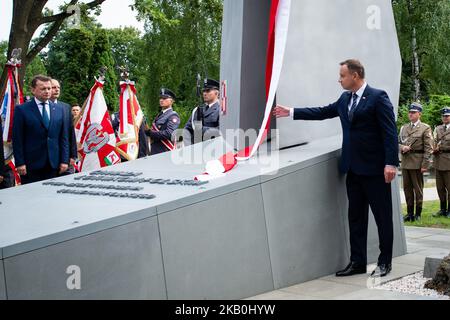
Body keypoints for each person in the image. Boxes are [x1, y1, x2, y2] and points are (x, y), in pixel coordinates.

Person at [273, 59, 399, 277]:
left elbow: (389, 132)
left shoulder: (378, 97)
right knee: (356, 218)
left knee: (382, 218)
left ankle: (384, 262)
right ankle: (357, 262)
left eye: (342, 76)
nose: (339, 79)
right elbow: (322, 112)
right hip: (353, 169)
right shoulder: (344, 99)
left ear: (355, 76)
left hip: (376, 171)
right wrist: (291, 112)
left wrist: (391, 163)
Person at [12, 75, 69, 184]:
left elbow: (63, 137)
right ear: (33, 90)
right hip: (31, 165)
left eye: (49, 88)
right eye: (43, 89)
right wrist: (20, 163)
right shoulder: (22, 110)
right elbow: (17, 138)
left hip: (54, 164)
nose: (47, 91)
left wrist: (64, 160)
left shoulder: (59, 109)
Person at [398, 102, 433, 222]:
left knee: (418, 189)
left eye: (413, 112)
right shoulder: (404, 127)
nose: (411, 114)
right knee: (407, 189)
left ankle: (418, 213)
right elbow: (397, 142)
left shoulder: (425, 127)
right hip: (406, 162)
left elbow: (429, 148)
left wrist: (425, 165)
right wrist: (402, 147)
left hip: (418, 162)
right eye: (410, 112)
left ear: (419, 114)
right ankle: (409, 213)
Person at [50, 79, 77, 174]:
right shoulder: (40, 109)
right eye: (54, 87)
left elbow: (70, 133)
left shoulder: (66, 107)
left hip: (65, 157)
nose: (57, 90)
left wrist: (73, 155)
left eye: (58, 87)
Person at [184, 78, 221, 145]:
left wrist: (201, 129)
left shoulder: (220, 110)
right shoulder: (198, 109)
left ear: (216, 93)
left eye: (208, 91)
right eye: (204, 91)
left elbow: (221, 131)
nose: (204, 93)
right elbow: (187, 129)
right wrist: (189, 146)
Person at [145, 88, 180, 155]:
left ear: (171, 101)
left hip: (165, 151)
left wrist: (151, 133)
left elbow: (169, 133)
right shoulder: (160, 115)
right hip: (155, 151)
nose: (161, 100)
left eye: (164, 98)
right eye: (160, 98)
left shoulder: (173, 116)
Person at [432, 107, 450, 218]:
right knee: (440, 188)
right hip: (438, 161)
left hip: (448, 162)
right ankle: (442, 209)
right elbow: (433, 141)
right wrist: (433, 148)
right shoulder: (437, 128)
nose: (445, 117)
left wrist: (441, 147)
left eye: (447, 115)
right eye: (443, 116)